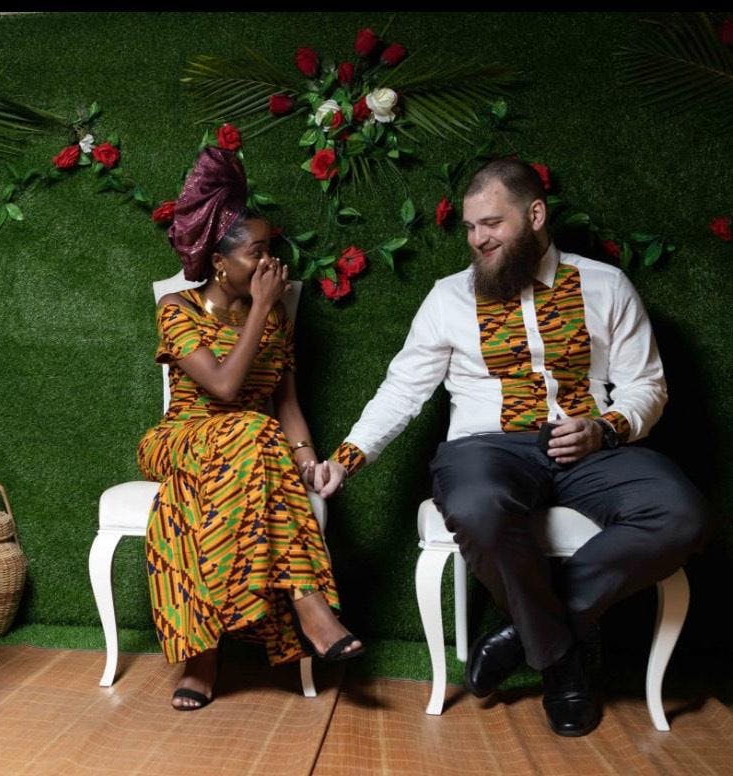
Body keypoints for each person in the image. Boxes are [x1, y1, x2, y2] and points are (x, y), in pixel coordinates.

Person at [323, 157, 709, 736]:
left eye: (493, 223)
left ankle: (520, 637)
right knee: (476, 506)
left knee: (682, 514)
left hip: (591, 446)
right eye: (472, 227)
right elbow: (403, 389)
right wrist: (348, 457)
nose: (479, 239)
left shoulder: (605, 286)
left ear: (534, 215)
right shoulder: (448, 298)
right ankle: (560, 662)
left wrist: (604, 427)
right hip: (486, 449)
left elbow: (646, 385)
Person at [138, 146, 362, 712]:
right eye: (259, 255)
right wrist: (263, 307)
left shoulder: (276, 313)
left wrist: (307, 457)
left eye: (272, 253)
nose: (271, 267)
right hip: (181, 437)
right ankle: (310, 605)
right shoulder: (177, 309)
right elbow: (223, 389)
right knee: (250, 429)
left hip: (249, 449)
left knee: (232, 461)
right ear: (220, 261)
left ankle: (203, 656)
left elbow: (284, 402)